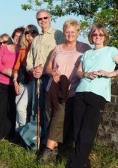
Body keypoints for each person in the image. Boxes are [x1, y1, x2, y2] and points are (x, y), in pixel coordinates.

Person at [37, 19, 91, 163]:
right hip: (54, 89)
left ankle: (47, 152)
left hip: (72, 90)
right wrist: (53, 73)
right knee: (50, 119)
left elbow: (92, 63)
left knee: (60, 120)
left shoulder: (84, 48)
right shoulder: (58, 48)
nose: (70, 34)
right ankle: (54, 153)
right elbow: (48, 68)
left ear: (78, 33)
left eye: (73, 31)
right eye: (67, 31)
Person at [68, 24, 118, 168]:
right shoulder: (87, 53)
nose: (97, 37)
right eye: (95, 34)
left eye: (100, 35)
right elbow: (78, 72)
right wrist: (86, 74)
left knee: (87, 131)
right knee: (77, 130)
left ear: (105, 37)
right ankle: (84, 163)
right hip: (81, 92)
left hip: (97, 94)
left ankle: (75, 164)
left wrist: (110, 74)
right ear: (91, 36)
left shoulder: (111, 50)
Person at [26, 9, 65, 145]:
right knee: (37, 110)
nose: (42, 21)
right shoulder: (36, 39)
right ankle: (37, 141)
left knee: (50, 111)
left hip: (50, 78)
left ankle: (50, 144)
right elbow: (29, 60)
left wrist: (45, 70)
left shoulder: (58, 35)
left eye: (45, 18)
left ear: (50, 18)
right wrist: (33, 69)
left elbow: (62, 56)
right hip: (37, 79)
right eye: (39, 19)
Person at [0, 27, 24, 140]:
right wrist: (9, 72)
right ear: (12, 37)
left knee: (12, 109)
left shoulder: (23, 50)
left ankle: (10, 135)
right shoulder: (5, 48)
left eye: (21, 37)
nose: (18, 39)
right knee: (0, 109)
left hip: (14, 85)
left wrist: (14, 76)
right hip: (2, 82)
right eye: (16, 36)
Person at [13, 25, 39, 132]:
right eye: (27, 33)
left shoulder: (38, 47)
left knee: (21, 107)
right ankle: (17, 131)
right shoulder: (23, 49)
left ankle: (23, 133)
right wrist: (15, 82)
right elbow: (16, 68)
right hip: (22, 80)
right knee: (17, 105)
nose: (29, 35)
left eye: (32, 32)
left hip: (33, 80)